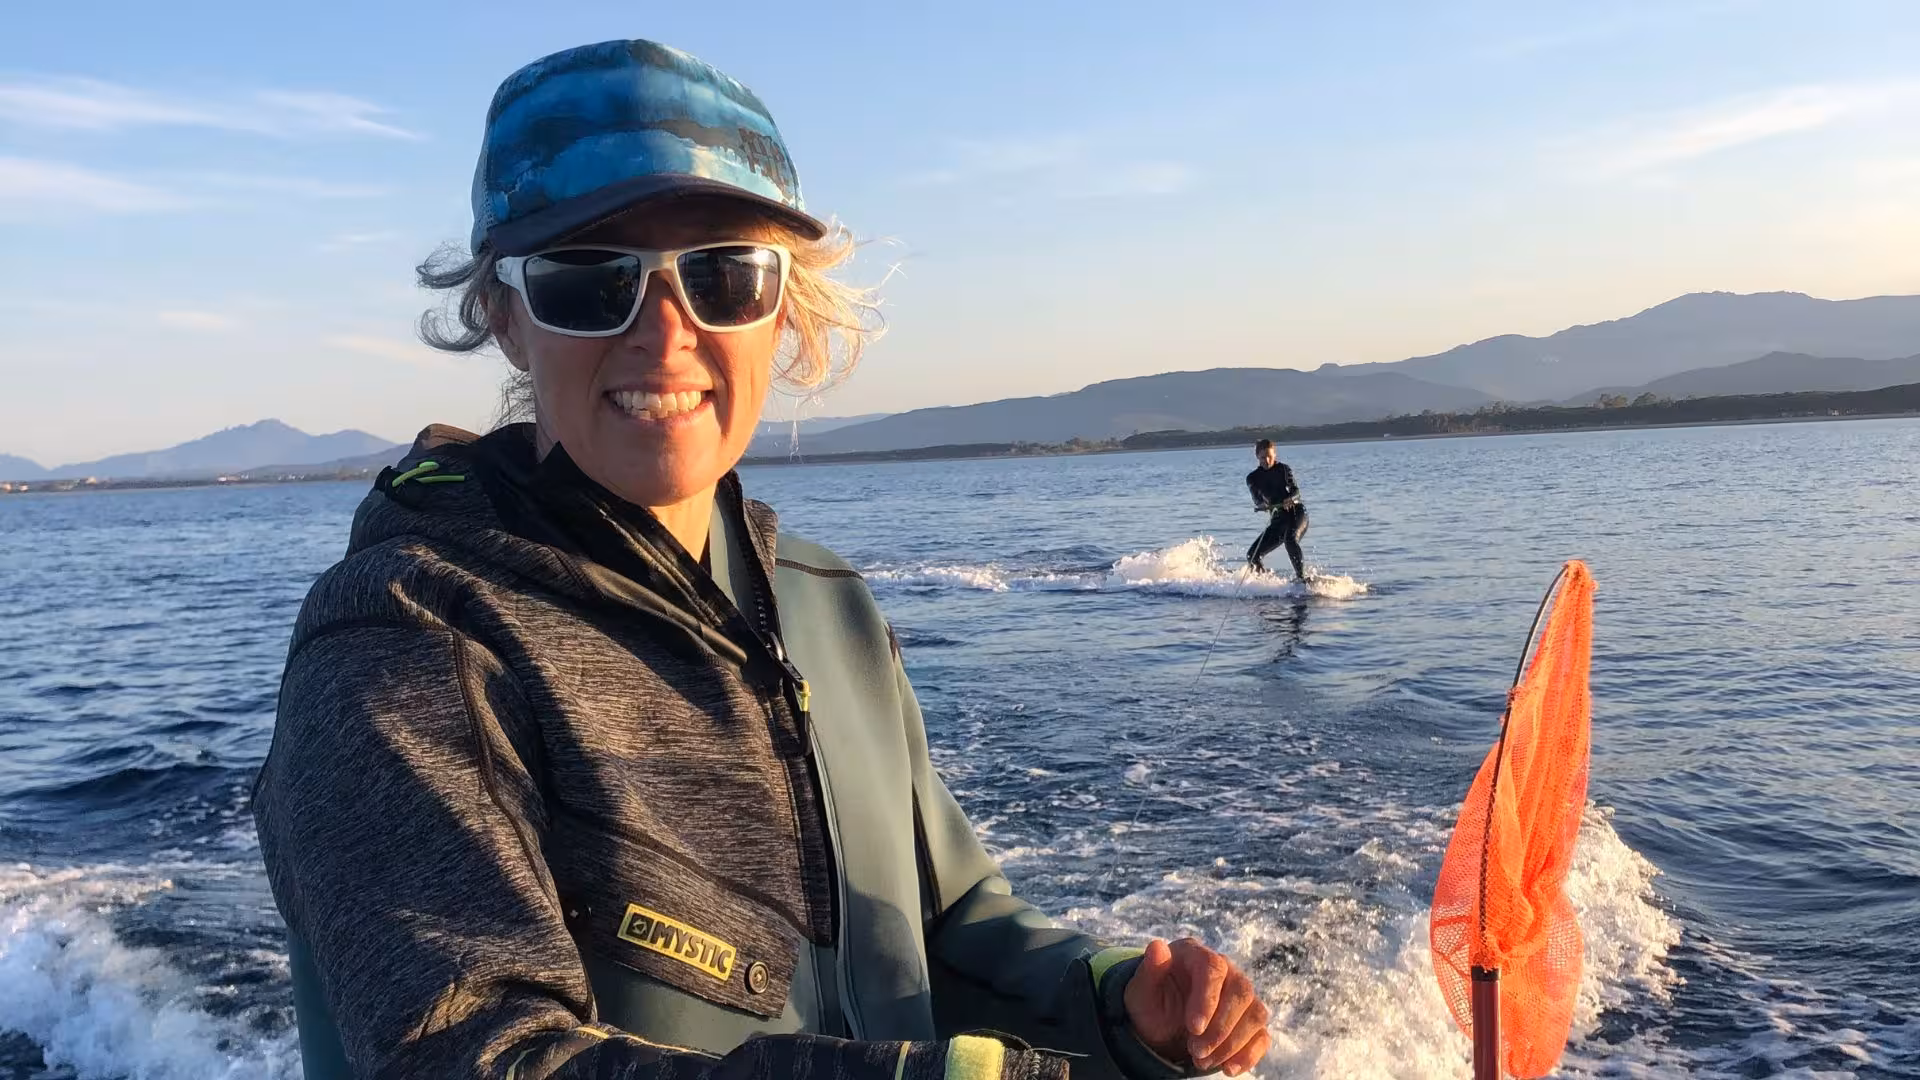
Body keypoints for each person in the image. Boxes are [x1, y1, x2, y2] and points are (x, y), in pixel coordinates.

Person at [252, 39, 1273, 1080]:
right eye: (586, 280)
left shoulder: (824, 606)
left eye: (723, 275)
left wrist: (1117, 1003)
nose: (663, 332)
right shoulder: (410, 637)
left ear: (783, 308)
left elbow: (950, 920)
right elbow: (476, 1057)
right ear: (506, 318)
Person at [1245, 440, 1309, 580]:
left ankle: (1301, 579)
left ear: (1274, 454)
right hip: (1278, 519)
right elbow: (1257, 500)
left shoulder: (1284, 469)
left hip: (1296, 513)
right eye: (1263, 457)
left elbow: (1296, 492)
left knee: (1290, 540)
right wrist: (1262, 504)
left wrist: (1291, 498)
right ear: (1257, 457)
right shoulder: (1252, 478)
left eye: (1269, 456)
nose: (1267, 460)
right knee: (1252, 556)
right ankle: (1265, 584)